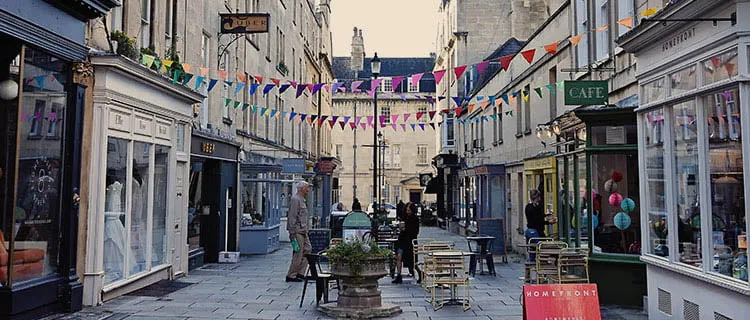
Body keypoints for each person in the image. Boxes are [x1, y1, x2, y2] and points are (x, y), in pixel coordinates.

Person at [286, 181, 312, 282]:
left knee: (308, 249)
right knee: (298, 252)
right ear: (301, 189)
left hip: (303, 230)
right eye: (307, 188)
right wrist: (292, 232)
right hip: (297, 231)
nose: (308, 189)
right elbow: (292, 216)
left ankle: (300, 272)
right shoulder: (295, 199)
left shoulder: (302, 200)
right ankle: (291, 275)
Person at [524, 189, 557, 260]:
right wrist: (548, 222)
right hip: (534, 231)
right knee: (541, 249)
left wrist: (545, 215)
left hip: (530, 231)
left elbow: (537, 218)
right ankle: (538, 264)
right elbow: (537, 220)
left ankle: (530, 265)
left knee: (533, 251)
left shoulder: (529, 207)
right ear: (537, 198)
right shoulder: (533, 207)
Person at [392, 202, 420, 284]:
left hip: (409, 242)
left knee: (413, 262)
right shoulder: (405, 217)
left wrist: (405, 229)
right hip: (402, 241)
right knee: (399, 256)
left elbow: (415, 232)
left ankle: (420, 273)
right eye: (406, 210)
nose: (407, 211)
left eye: (409, 210)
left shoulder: (415, 219)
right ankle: (399, 275)